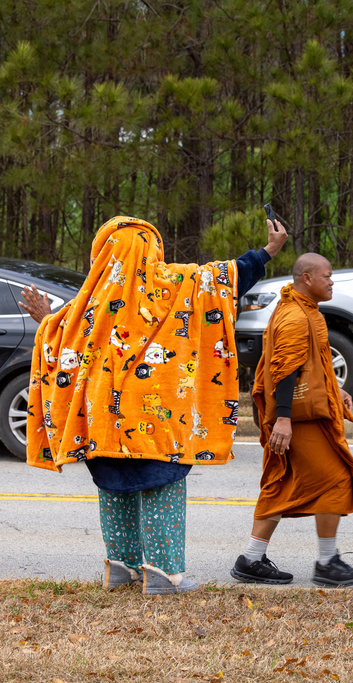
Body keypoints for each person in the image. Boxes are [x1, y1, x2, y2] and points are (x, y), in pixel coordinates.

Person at [19, 214, 288, 595]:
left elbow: (59, 340)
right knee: (161, 489)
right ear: (153, 249)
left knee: (114, 488)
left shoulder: (89, 304)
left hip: (101, 423)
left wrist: (46, 318)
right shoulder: (179, 284)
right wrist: (267, 251)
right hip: (160, 419)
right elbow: (227, 279)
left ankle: (121, 568)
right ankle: (165, 575)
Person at [230, 252, 353, 588]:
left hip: (298, 414)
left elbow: (312, 363)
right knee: (336, 479)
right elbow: (286, 372)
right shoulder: (295, 316)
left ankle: (251, 559)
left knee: (280, 482)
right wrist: (282, 420)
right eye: (327, 275)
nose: (332, 281)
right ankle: (326, 563)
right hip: (297, 418)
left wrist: (335, 391)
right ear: (307, 278)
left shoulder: (305, 311)